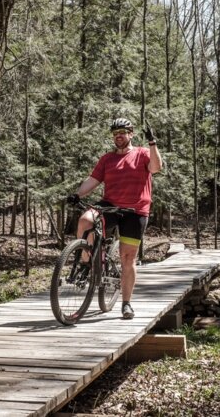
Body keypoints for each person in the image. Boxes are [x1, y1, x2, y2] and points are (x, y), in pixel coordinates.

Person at [67, 117, 162, 319]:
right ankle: (85, 262)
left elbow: (155, 168)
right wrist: (77, 194)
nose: (118, 136)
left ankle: (126, 304)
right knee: (85, 220)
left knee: (127, 259)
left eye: (123, 132)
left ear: (131, 134)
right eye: (115, 134)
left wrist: (152, 143)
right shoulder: (107, 159)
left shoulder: (142, 153)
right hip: (110, 205)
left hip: (135, 210)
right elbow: (93, 180)